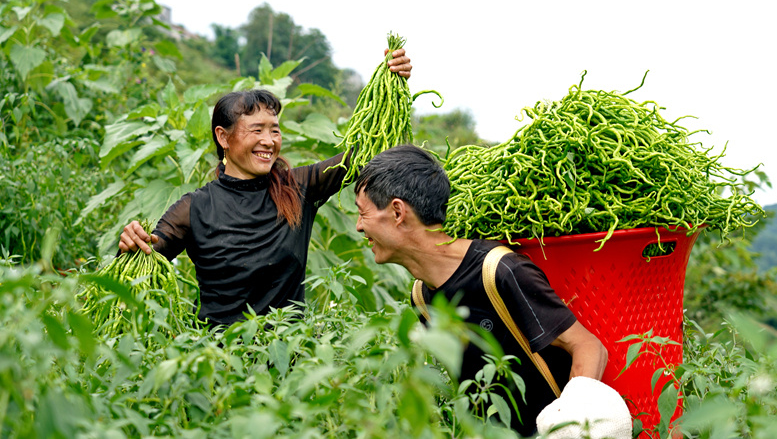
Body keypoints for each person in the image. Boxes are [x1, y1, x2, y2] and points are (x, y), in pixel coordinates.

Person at [117, 48, 412, 327]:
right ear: (223, 137)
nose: (269, 141)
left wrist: (389, 83)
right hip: (215, 356)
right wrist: (131, 244)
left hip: (288, 352)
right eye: (256, 130)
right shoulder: (195, 208)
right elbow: (138, 268)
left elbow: (365, 153)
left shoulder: (298, 187)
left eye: (275, 130)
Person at [353, 144, 610, 437]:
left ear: (398, 211)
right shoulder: (421, 296)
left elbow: (589, 347)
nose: (359, 227)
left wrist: (569, 426)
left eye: (363, 213)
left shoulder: (499, 271)